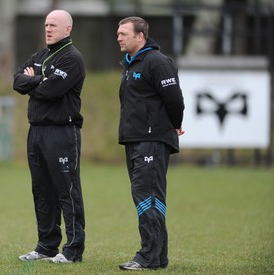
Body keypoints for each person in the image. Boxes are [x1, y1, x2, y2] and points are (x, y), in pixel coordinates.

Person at [13, 10, 86, 264]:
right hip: (36, 132)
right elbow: (17, 81)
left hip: (61, 132)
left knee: (67, 190)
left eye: (53, 25)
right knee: (41, 190)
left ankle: (73, 250)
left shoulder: (72, 58)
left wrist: (36, 81)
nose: (48, 28)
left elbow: (50, 90)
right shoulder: (40, 55)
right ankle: (46, 246)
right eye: (46, 24)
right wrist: (39, 81)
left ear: (68, 29)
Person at [116, 16, 185, 271]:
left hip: (151, 140)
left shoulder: (157, 61)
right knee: (144, 197)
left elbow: (175, 99)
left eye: (123, 33)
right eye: (118, 33)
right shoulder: (130, 64)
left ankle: (147, 256)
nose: (119, 37)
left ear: (140, 36)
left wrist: (174, 124)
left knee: (149, 197)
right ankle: (158, 257)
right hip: (135, 140)